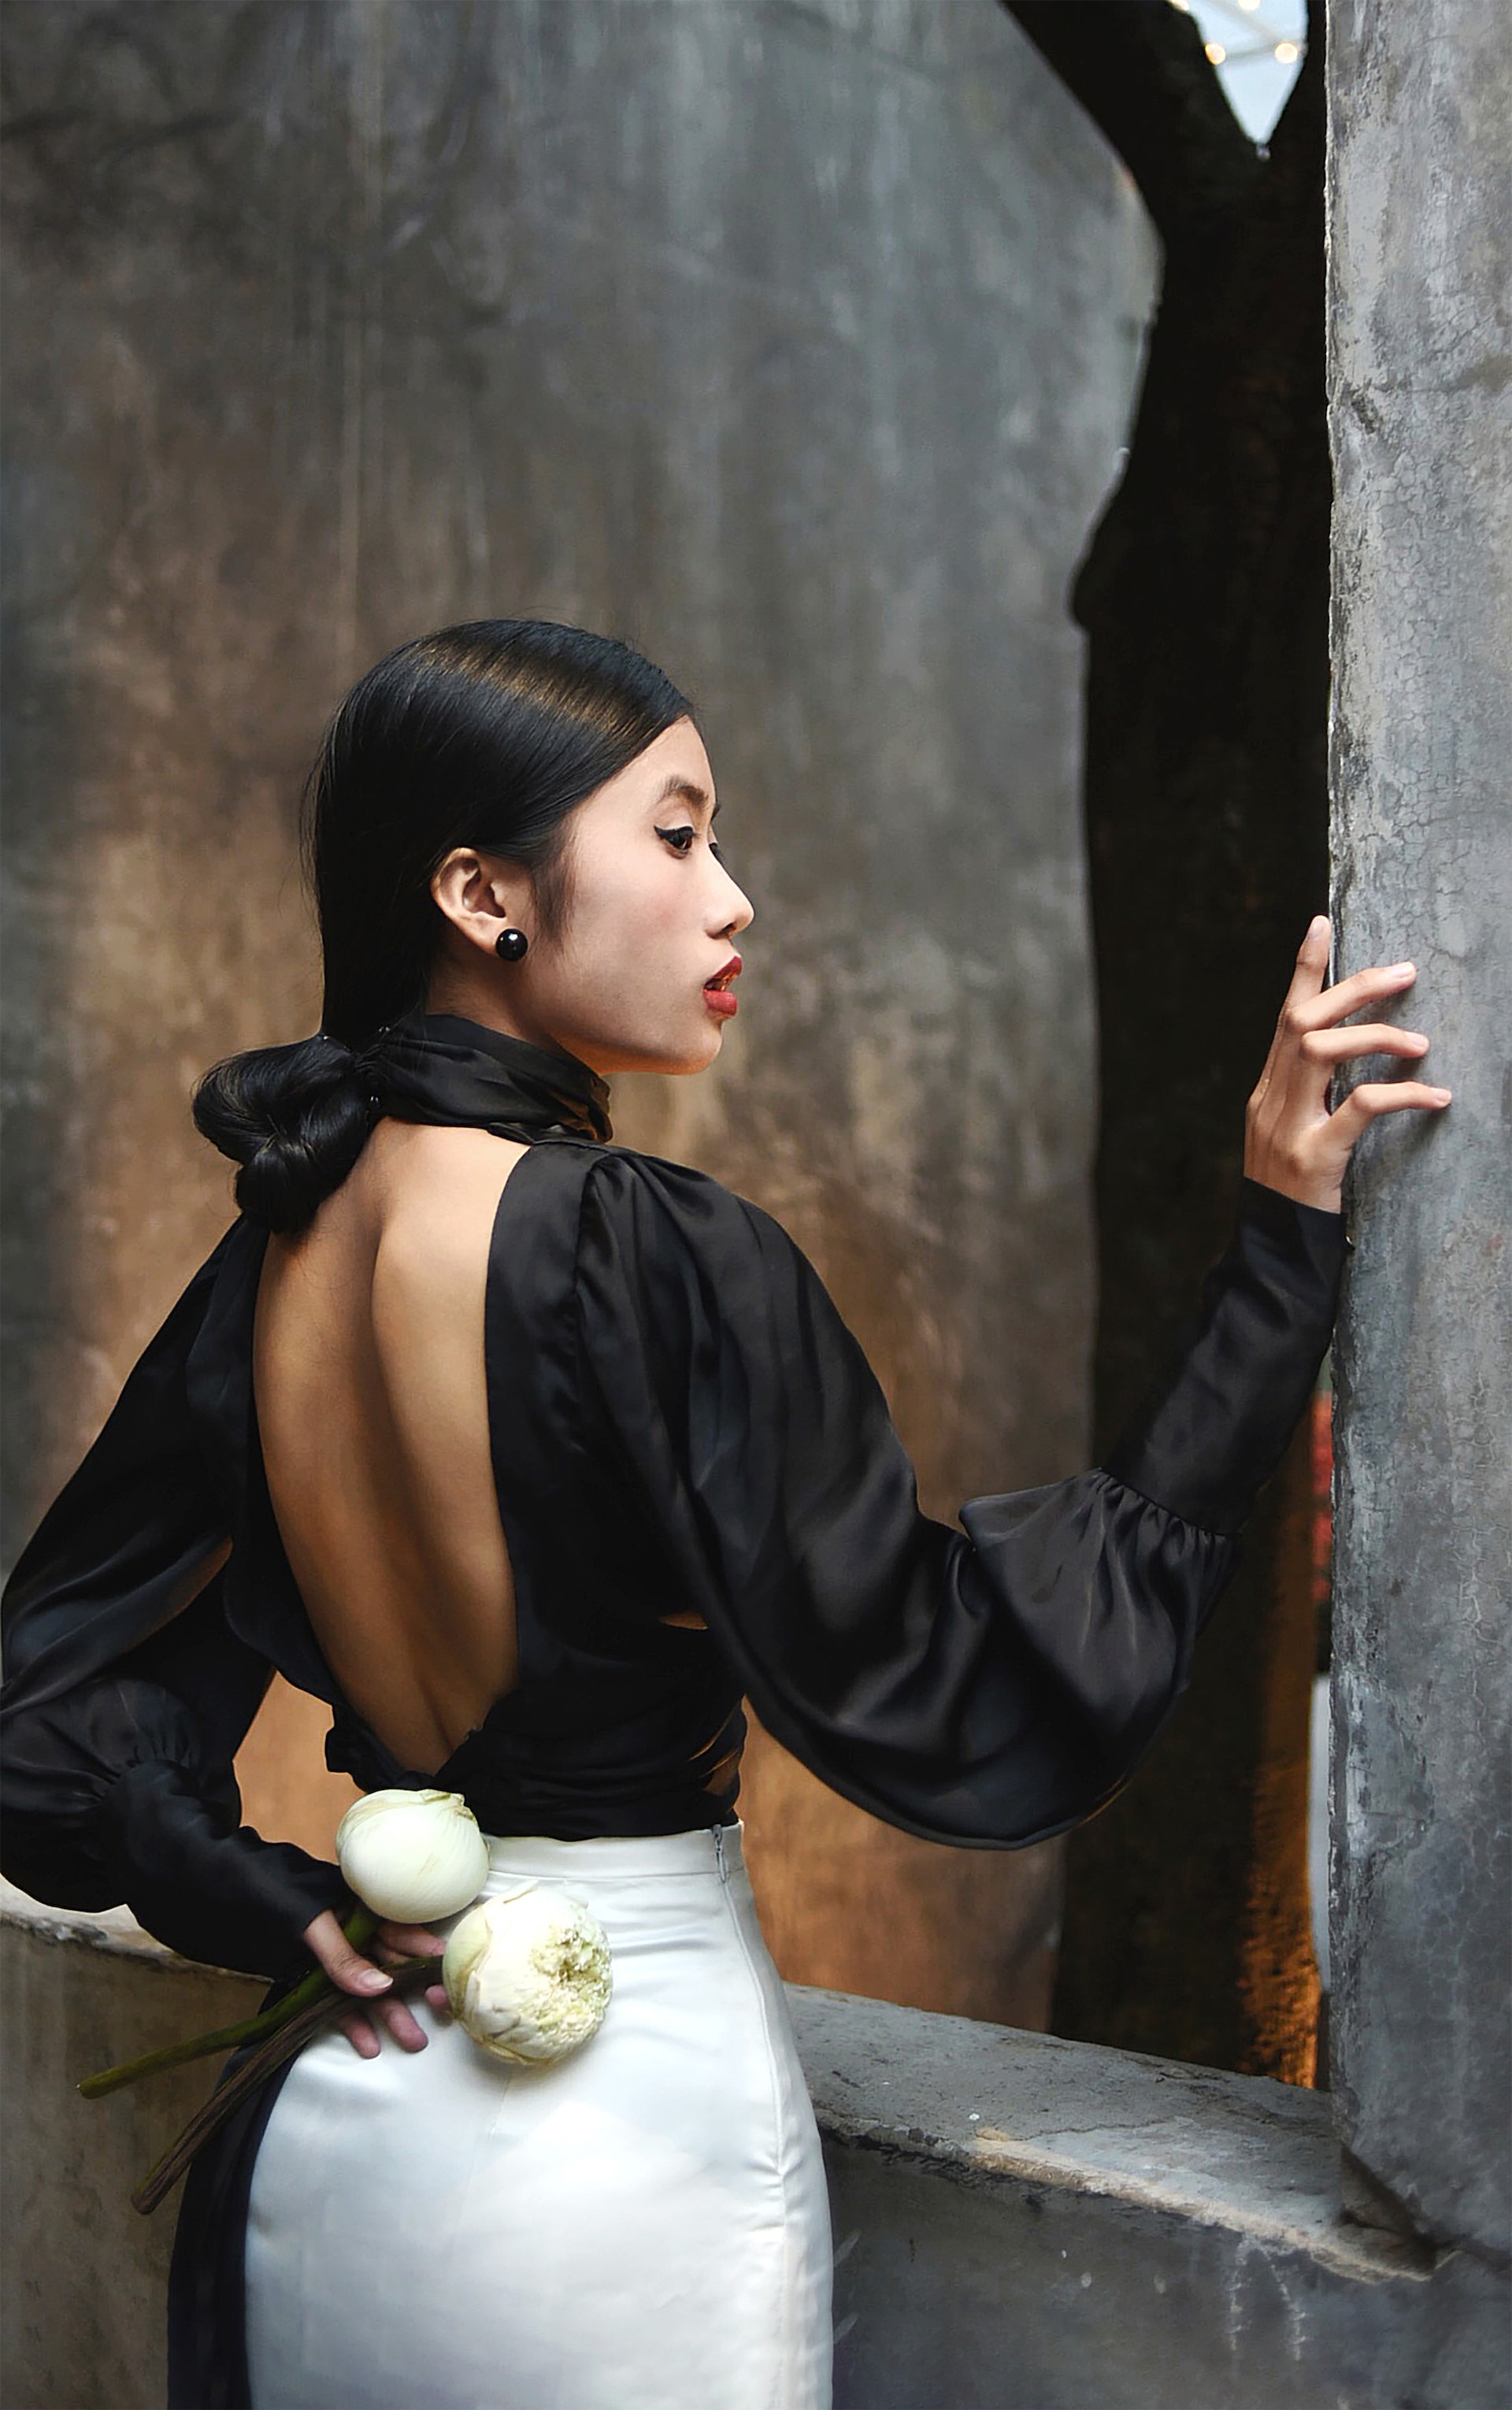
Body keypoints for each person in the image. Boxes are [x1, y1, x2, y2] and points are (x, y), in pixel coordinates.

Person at [0, 620, 1449, 2410]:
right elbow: (969, 1682)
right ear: (480, 892)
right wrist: (1278, 1249)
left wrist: (262, 1897)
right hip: (613, 2129)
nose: (733, 897)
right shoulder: (643, 1249)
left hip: (334, 2138)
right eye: (678, 835)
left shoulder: (272, 1256)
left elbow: (44, 1719)